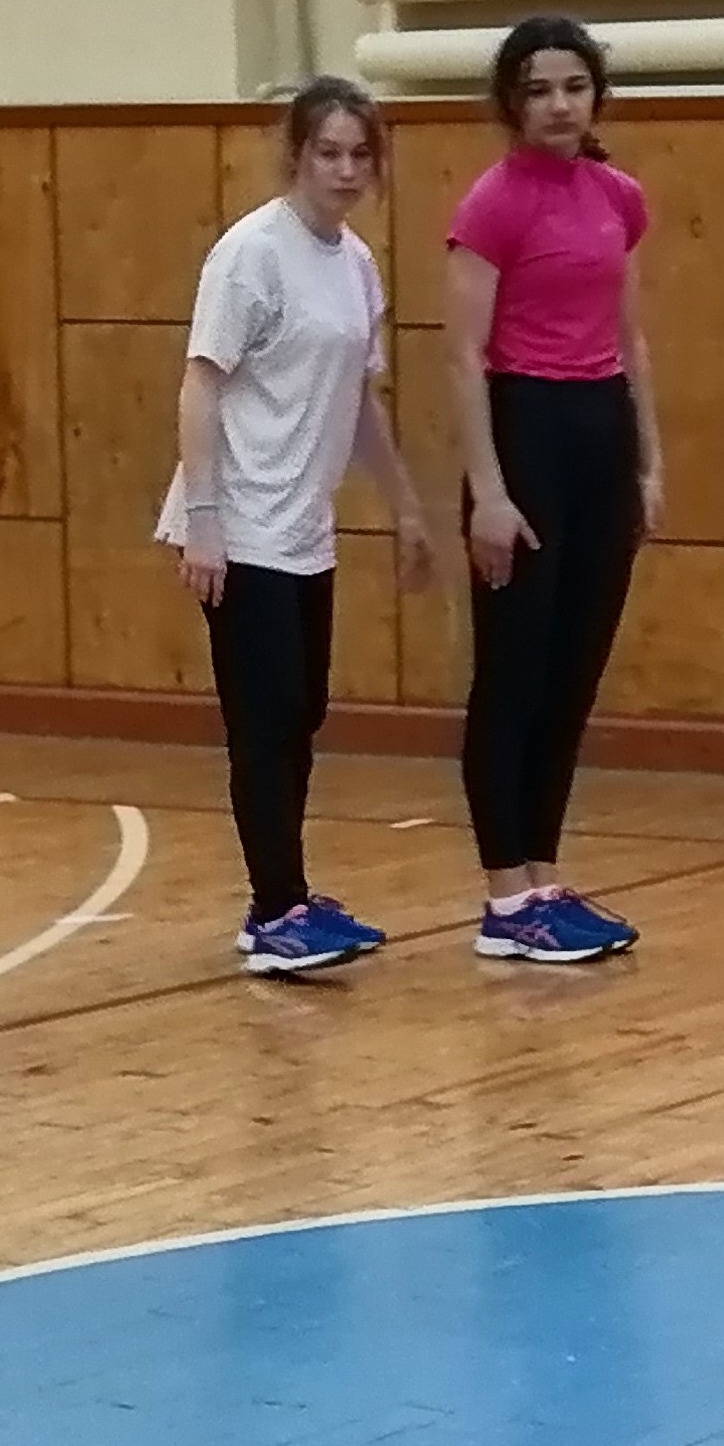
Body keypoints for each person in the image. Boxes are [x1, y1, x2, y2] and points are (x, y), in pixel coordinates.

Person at [164, 77, 440, 979]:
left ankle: (287, 894)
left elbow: (360, 397)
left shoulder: (355, 264)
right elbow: (201, 381)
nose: (345, 170)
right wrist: (203, 517)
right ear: (297, 155)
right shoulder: (250, 254)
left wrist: (403, 506)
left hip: (303, 526)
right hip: (239, 521)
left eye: (360, 154)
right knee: (265, 716)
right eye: (328, 152)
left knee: (301, 712)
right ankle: (274, 908)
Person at [448, 15, 664, 967]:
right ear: (512, 101)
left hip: (599, 430)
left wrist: (648, 463)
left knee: (573, 670)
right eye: (537, 90)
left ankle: (542, 875)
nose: (558, 106)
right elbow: (462, 355)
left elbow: (630, 336)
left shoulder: (618, 196)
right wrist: (489, 493)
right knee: (515, 671)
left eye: (573, 87)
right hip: (523, 428)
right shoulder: (491, 204)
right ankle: (504, 894)